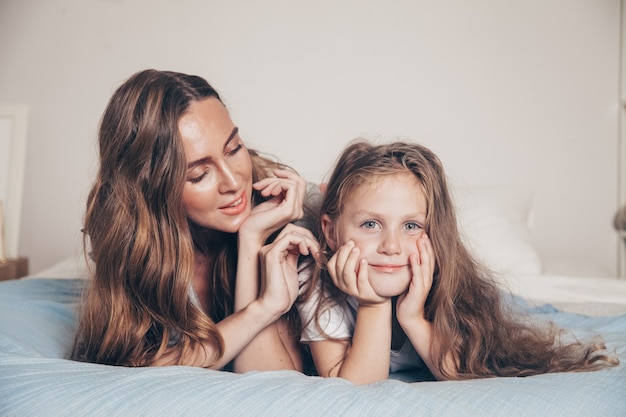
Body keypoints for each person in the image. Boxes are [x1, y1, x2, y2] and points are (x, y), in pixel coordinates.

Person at [297, 139, 619, 384]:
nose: (392, 246)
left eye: (411, 226)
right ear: (331, 232)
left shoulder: (446, 283)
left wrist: (413, 317)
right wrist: (374, 304)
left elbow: (463, 373)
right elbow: (356, 388)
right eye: (370, 224)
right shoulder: (320, 291)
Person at [70, 69, 319, 372]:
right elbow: (137, 364)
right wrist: (262, 307)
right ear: (152, 189)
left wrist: (252, 239)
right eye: (199, 174)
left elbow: (274, 380)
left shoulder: (290, 214)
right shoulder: (134, 244)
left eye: (234, 148)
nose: (232, 181)